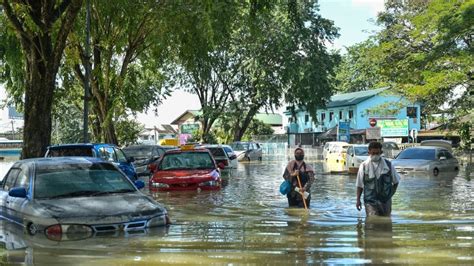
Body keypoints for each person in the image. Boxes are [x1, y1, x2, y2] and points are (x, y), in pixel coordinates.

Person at [356, 141, 400, 216]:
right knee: (372, 222)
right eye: (373, 153)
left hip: (385, 201)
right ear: (369, 152)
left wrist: (390, 194)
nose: (375, 155)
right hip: (370, 201)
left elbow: (396, 182)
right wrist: (358, 200)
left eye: (377, 153)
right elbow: (359, 185)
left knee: (386, 223)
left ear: (381, 152)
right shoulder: (363, 166)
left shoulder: (388, 165)